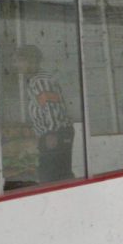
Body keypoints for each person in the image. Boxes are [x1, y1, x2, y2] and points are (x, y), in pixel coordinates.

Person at [12, 45, 74, 183]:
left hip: (55, 133)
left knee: (53, 176)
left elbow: (51, 107)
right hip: (53, 132)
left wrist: (51, 134)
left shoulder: (40, 81)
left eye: (19, 61)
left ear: (31, 61)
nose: (16, 65)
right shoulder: (36, 79)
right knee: (56, 174)